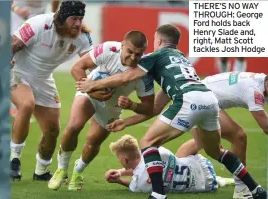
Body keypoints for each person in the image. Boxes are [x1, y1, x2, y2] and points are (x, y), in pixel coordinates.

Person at [75, 24, 267, 199]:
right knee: (215, 151)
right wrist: (127, 121)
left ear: (157, 40)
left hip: (189, 99)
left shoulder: (155, 57)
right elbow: (156, 108)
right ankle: (256, 190)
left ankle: (158, 194)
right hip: (209, 99)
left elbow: (126, 77)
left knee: (148, 143)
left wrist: (93, 84)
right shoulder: (182, 60)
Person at [47, 31, 155, 191]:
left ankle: (78, 171)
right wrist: (91, 91)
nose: (133, 58)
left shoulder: (143, 73)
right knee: (74, 126)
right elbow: (77, 68)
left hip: (111, 108)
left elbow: (149, 107)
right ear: (122, 45)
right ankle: (62, 169)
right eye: (130, 52)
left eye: (138, 54)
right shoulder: (108, 49)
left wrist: (132, 105)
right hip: (89, 94)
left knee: (93, 142)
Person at [10, 0, 93, 181]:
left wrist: (100, 84)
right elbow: (13, 44)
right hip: (17, 70)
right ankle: (13, 160)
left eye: (80, 18)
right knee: (26, 104)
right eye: (74, 19)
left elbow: (91, 64)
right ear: (62, 17)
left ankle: (41, 171)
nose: (78, 23)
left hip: (44, 79)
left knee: (52, 130)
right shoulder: (40, 24)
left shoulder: (82, 37)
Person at [176, 72, 268, 199]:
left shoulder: (262, 81)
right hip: (202, 98)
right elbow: (266, 127)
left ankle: (175, 171)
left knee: (203, 142)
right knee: (239, 137)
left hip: (196, 94)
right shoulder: (254, 91)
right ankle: (242, 189)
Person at [106, 135, 235, 193]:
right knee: (178, 157)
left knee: (176, 160)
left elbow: (138, 175)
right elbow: (143, 166)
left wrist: (119, 180)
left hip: (205, 186)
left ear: (124, 160)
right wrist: (121, 172)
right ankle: (215, 144)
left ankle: (219, 178)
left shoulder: (139, 185)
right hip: (202, 165)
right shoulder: (156, 152)